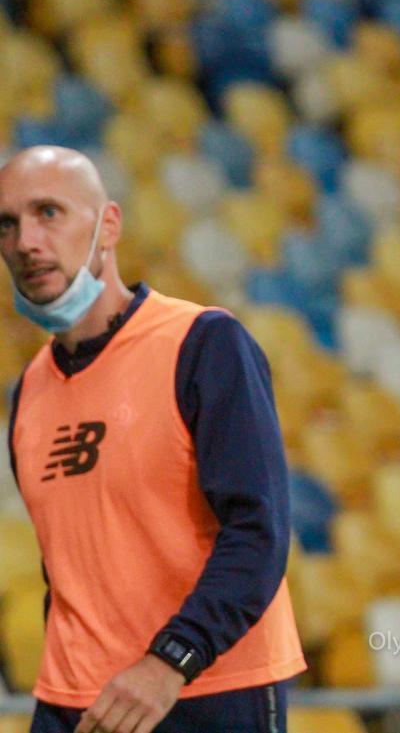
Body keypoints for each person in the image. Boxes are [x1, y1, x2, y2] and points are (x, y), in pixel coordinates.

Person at [1, 146, 306, 733]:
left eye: (48, 213)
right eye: (6, 224)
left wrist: (170, 661)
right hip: (75, 702)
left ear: (108, 225)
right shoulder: (30, 389)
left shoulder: (203, 344)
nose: (26, 242)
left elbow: (258, 532)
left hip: (203, 688)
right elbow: (67, 569)